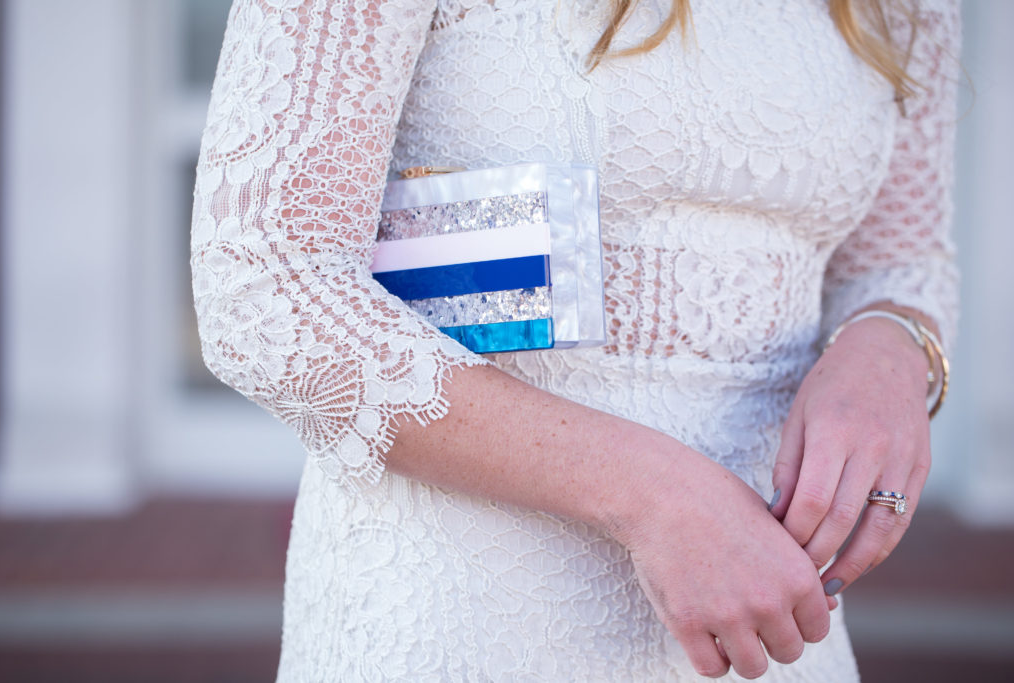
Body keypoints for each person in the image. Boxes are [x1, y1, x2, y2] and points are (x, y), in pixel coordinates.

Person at [190, 0, 960, 679]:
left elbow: (901, 260)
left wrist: (892, 343)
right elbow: (267, 285)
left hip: (772, 611)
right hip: (461, 607)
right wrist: (656, 496)